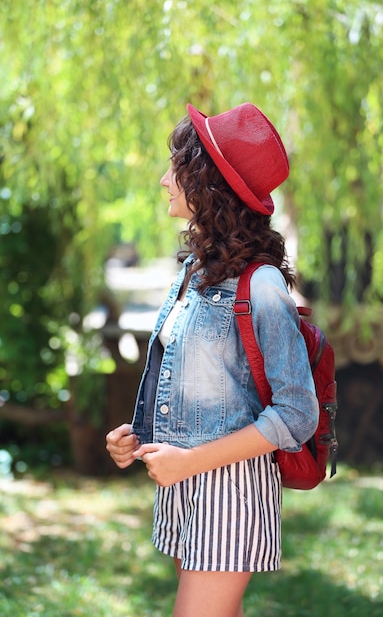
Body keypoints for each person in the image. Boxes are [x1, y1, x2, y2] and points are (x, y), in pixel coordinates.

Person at [106, 102, 318, 617]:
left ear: (206, 182)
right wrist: (136, 436)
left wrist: (188, 463)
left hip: (230, 493)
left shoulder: (261, 286)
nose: (163, 180)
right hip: (185, 487)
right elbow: (197, 381)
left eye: (176, 167)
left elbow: (297, 413)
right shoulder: (192, 274)